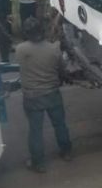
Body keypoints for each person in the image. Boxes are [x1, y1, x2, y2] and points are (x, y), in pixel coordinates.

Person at [15, 17, 72, 173]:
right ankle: (66, 152)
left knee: (35, 130)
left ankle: (38, 163)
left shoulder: (20, 50)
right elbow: (62, 71)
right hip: (52, 93)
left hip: (32, 96)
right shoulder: (54, 49)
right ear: (42, 30)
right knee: (60, 125)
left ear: (26, 33)